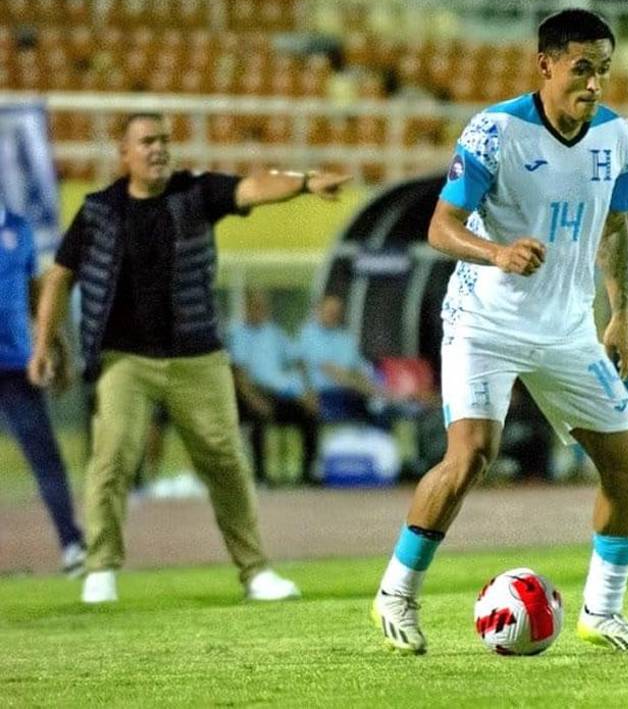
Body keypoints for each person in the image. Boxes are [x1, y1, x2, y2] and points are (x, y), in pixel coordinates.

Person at [371, 9, 628, 654]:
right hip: (485, 321)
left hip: (568, 331)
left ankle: (601, 613)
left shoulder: (618, 137)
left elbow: (614, 225)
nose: (595, 83)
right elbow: (440, 227)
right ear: (545, 63)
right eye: (583, 68)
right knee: (470, 457)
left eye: (604, 70)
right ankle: (396, 593)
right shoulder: (495, 131)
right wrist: (495, 252)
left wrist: (621, 313)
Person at [28, 112, 348, 603]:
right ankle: (100, 569)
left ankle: (256, 572)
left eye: (163, 140)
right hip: (124, 361)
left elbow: (254, 187)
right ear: (125, 154)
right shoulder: (98, 209)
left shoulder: (196, 192)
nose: (157, 149)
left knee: (225, 461)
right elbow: (59, 277)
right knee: (111, 459)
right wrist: (43, 344)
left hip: (198, 358)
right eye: (146, 142)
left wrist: (304, 183)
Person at [0, 204, 86, 576]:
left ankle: (72, 545)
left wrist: (58, 346)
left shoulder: (20, 228)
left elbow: (35, 292)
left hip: (17, 365)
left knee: (46, 459)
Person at [229, 288, 321, 485]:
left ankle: (307, 474)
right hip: (249, 394)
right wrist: (255, 400)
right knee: (257, 417)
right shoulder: (238, 334)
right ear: (246, 308)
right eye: (254, 306)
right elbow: (238, 374)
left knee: (310, 414)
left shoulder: (275, 333)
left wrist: (309, 391)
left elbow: (299, 360)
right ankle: (261, 475)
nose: (259, 311)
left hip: (278, 394)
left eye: (262, 307)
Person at [296, 294, 392, 428]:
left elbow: (360, 368)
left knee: (382, 410)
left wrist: (376, 388)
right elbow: (332, 372)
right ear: (318, 311)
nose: (333, 315)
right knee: (375, 404)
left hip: (353, 392)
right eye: (329, 311)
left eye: (337, 312)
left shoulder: (346, 339)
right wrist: (371, 389)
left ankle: (378, 444)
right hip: (324, 395)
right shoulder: (308, 335)